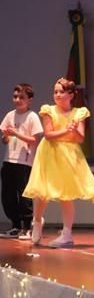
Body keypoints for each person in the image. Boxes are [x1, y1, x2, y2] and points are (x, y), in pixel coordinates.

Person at [22, 78, 94, 247]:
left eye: (61, 92)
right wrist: (67, 131)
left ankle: (67, 233)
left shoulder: (79, 113)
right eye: (55, 91)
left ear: (71, 95)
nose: (57, 95)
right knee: (42, 192)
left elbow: (80, 138)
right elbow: (48, 134)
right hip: (49, 153)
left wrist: (74, 131)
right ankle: (37, 221)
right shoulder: (48, 110)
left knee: (66, 195)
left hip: (69, 155)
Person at [0, 84, 43, 239]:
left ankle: (27, 227)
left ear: (29, 100)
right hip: (8, 160)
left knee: (24, 196)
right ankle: (16, 226)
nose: (17, 100)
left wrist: (16, 134)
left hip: (24, 163)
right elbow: (5, 140)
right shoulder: (10, 115)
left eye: (21, 97)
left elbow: (35, 140)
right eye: (15, 97)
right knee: (7, 195)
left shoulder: (32, 116)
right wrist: (6, 135)